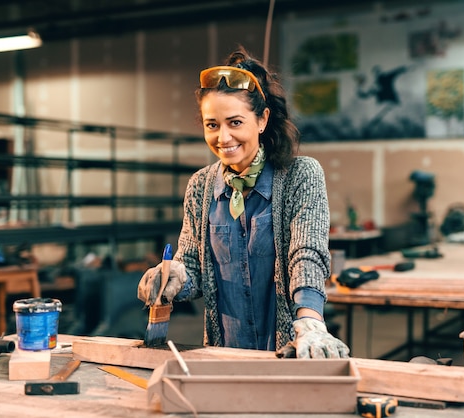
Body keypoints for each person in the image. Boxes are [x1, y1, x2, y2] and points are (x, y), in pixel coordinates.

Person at [138, 47, 349, 359]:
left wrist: (310, 320)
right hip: (225, 355)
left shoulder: (300, 175)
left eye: (235, 122)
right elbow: (194, 267)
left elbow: (307, 254)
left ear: (262, 120)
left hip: (290, 351)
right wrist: (175, 277)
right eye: (212, 125)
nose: (223, 137)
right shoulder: (200, 185)